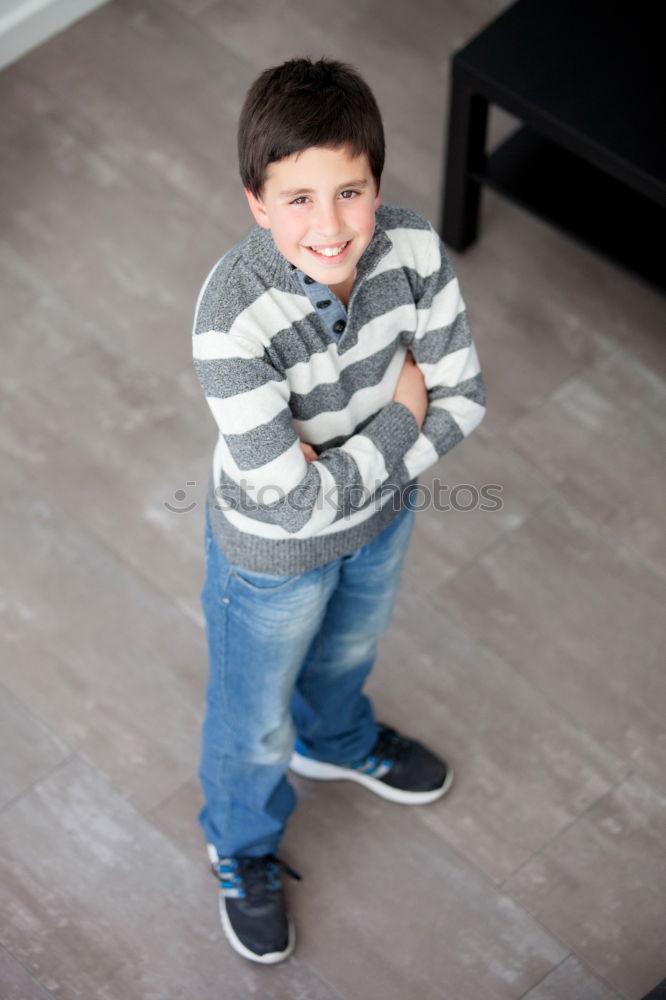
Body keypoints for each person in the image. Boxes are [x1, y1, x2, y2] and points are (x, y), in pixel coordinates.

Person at [191, 56, 486, 965]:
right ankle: (239, 843)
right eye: (299, 199)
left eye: (349, 191)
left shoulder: (416, 250)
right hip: (268, 558)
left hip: (381, 522)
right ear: (257, 202)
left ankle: (339, 737)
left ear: (378, 185)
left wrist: (345, 467)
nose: (330, 225)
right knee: (254, 718)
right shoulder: (229, 323)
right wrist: (403, 414)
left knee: (353, 648)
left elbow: (466, 398)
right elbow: (287, 499)